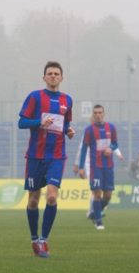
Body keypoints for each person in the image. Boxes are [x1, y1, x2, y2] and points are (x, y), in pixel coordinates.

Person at [18, 61, 75, 258]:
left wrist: (69, 130)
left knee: (51, 196)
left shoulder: (67, 100)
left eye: (56, 73)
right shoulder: (35, 97)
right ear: (44, 78)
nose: (53, 76)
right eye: (49, 73)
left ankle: (44, 240)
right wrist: (38, 122)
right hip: (35, 156)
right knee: (33, 201)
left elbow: (65, 123)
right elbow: (21, 122)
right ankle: (34, 240)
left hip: (57, 156)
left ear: (61, 78)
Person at [76, 105, 124, 230]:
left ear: (104, 113)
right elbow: (84, 149)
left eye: (100, 112)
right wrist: (81, 167)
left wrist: (111, 148)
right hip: (95, 167)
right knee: (97, 193)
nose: (97, 115)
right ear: (93, 115)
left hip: (108, 167)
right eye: (95, 113)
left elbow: (115, 143)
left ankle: (94, 213)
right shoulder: (89, 130)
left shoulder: (111, 128)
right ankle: (98, 221)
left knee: (107, 196)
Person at [73, 127, 122, 220]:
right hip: (90, 164)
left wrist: (118, 154)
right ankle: (92, 211)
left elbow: (110, 144)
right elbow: (81, 149)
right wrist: (77, 164)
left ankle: (94, 211)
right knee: (96, 189)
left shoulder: (103, 133)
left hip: (100, 164)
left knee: (100, 191)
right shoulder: (88, 133)